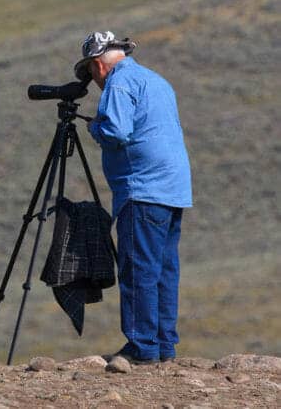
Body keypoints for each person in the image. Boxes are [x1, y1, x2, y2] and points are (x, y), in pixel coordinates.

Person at [75, 31, 192, 364]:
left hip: (142, 188)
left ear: (98, 64)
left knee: (138, 269)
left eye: (89, 73)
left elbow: (116, 131)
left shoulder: (119, 83)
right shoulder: (155, 80)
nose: (91, 81)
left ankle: (142, 347)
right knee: (163, 270)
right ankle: (164, 345)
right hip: (173, 188)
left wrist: (94, 127)